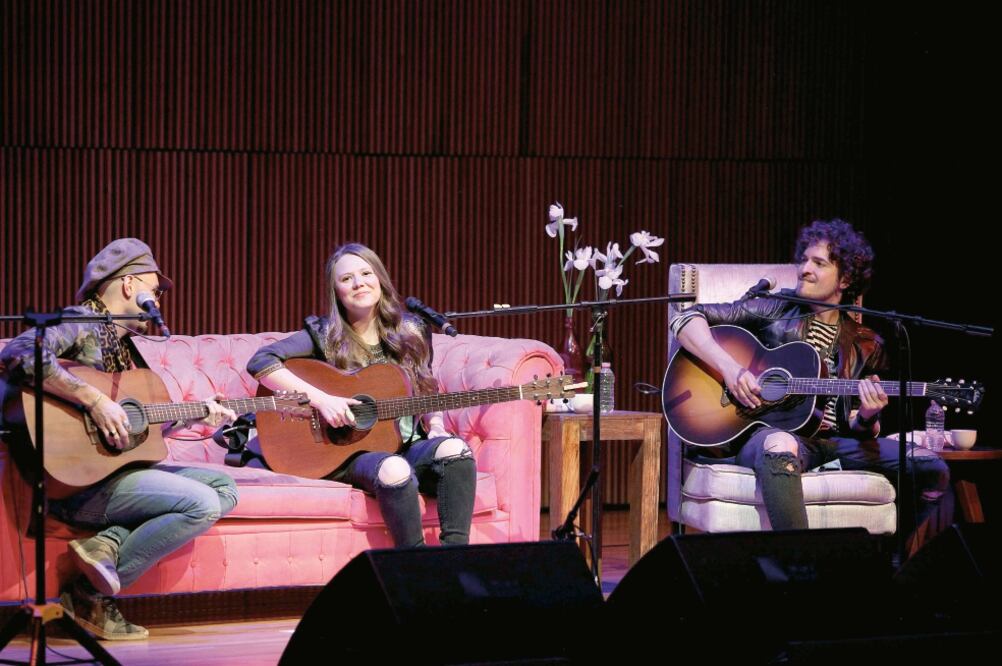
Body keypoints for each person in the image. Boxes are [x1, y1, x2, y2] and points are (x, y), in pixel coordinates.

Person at [0, 238, 239, 640]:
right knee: (200, 503)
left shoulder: (126, 351)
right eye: (155, 288)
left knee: (225, 487)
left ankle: (106, 545)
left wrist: (196, 414)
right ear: (129, 285)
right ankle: (89, 594)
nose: (160, 299)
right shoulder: (80, 321)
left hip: (114, 474)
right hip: (76, 485)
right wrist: (92, 399)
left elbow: (135, 434)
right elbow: (21, 353)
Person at [670, 219, 949, 537]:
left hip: (834, 442)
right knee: (781, 443)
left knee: (932, 468)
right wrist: (731, 369)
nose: (804, 268)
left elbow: (859, 427)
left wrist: (869, 416)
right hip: (763, 432)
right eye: (804, 259)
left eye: (818, 263)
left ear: (845, 279)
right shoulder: (772, 308)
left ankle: (888, 562)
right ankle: (798, 566)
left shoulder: (866, 342)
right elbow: (686, 317)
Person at [247, 243, 476, 547]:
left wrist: (435, 424)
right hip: (349, 452)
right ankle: (416, 568)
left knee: (456, 451)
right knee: (395, 469)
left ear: (380, 278)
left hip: (408, 445)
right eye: (346, 279)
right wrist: (323, 400)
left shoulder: (413, 330)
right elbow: (261, 362)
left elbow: (426, 386)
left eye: (366, 273)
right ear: (336, 291)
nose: (359, 283)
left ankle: (456, 561)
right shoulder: (323, 333)